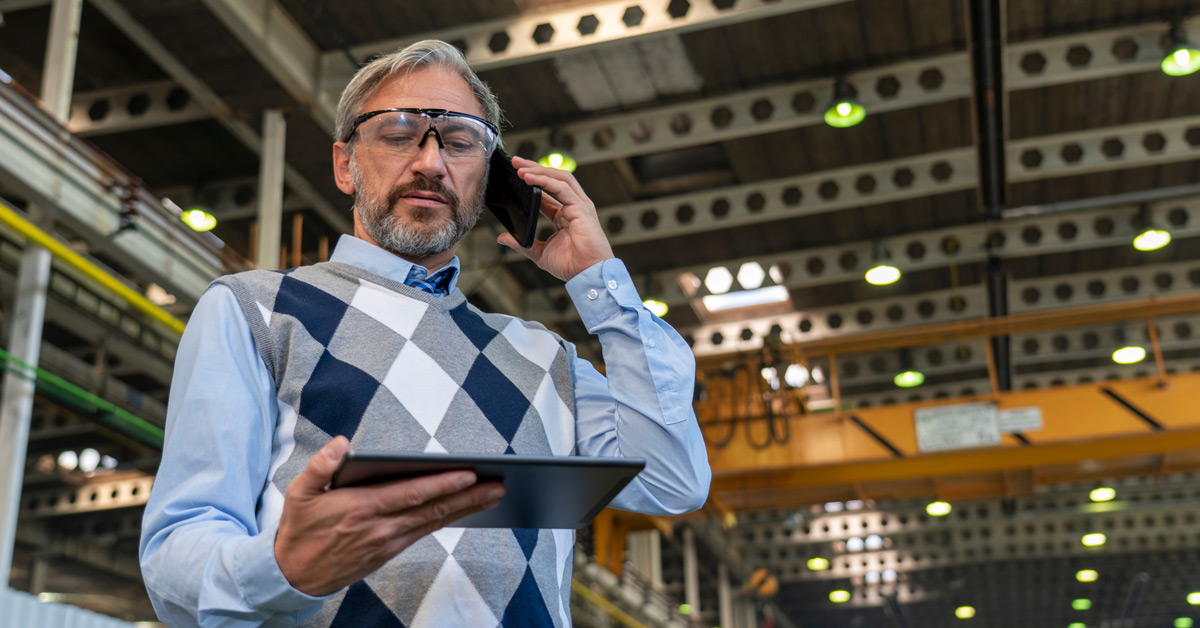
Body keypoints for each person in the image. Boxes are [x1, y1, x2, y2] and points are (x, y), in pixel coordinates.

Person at [139, 40, 710, 628]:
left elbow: (672, 482)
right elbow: (175, 555)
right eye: (396, 133)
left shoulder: (544, 356)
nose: (432, 164)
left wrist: (601, 285)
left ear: (486, 179)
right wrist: (283, 568)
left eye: (461, 143)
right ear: (345, 165)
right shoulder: (257, 310)